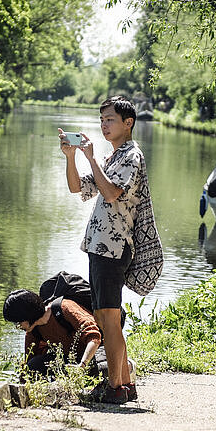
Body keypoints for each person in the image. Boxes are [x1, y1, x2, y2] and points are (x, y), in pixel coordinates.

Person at [59, 96, 149, 403]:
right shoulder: (114, 157)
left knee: (109, 319)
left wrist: (92, 158)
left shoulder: (130, 155)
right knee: (103, 317)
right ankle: (125, 383)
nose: (104, 125)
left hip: (113, 248)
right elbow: (77, 188)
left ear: (128, 123)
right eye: (102, 120)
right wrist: (71, 157)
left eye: (109, 120)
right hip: (100, 247)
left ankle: (114, 388)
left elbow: (110, 193)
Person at [3, 289, 102, 376]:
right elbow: (29, 360)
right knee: (33, 365)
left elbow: (94, 337)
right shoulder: (34, 330)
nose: (18, 327)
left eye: (18, 322)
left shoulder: (64, 307)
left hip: (95, 353)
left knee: (98, 369)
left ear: (28, 315)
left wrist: (82, 365)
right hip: (70, 360)